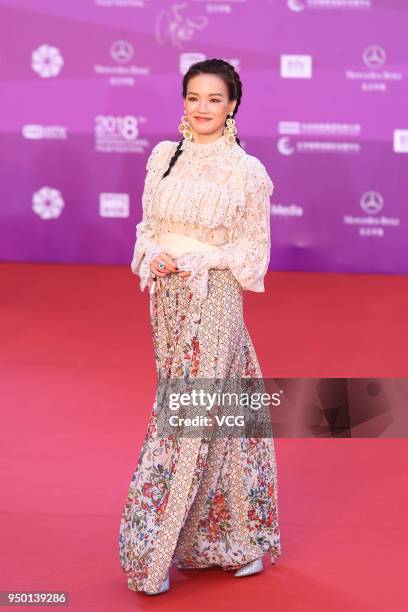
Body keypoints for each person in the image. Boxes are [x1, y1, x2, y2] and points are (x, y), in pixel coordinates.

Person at [118, 58, 282, 596]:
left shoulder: (246, 171)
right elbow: (149, 225)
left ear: (233, 104)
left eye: (214, 99)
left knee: (188, 413)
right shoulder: (164, 158)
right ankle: (232, 539)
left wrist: (198, 261)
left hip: (213, 300)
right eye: (194, 97)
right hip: (166, 300)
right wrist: (153, 255)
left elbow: (253, 251)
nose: (202, 108)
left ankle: (153, 549)